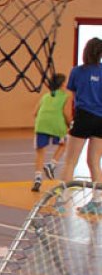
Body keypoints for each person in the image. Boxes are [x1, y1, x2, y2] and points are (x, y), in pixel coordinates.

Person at [60, 37, 102, 214]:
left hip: (84, 117)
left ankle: (62, 202)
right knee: (94, 162)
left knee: (70, 161)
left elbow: (69, 98)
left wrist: (68, 119)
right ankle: (98, 203)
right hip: (101, 119)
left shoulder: (77, 71)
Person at [31, 73, 71, 192]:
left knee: (40, 152)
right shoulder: (66, 96)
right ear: (63, 83)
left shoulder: (45, 96)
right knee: (64, 144)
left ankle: (37, 179)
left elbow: (34, 112)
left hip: (41, 124)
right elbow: (66, 113)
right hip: (57, 124)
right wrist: (70, 124)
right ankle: (51, 165)